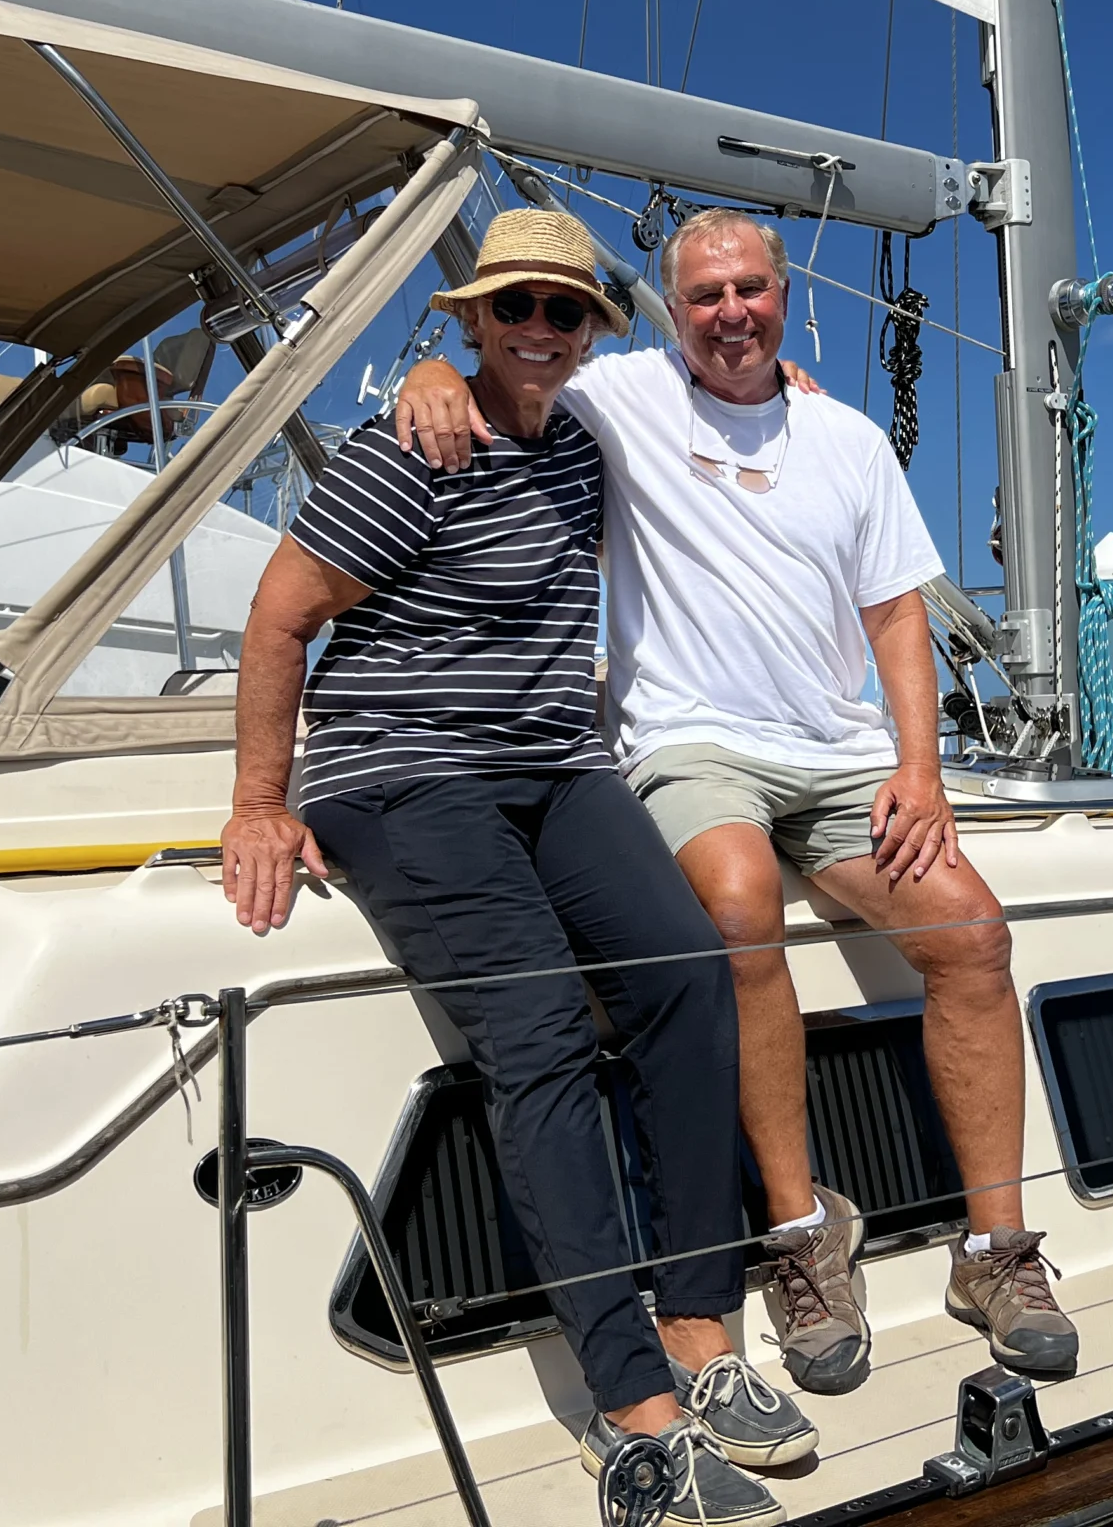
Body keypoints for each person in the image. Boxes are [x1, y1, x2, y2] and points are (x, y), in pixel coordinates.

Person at [395, 209, 1077, 1397]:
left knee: (971, 935)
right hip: (691, 741)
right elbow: (514, 362)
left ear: (782, 298)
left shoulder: (850, 439)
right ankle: (802, 1236)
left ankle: (994, 1252)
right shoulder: (623, 399)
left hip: (841, 756)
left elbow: (895, 618)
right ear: (672, 305)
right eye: (703, 294)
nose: (728, 313)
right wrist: (425, 371)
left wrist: (918, 769)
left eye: (749, 290)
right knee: (735, 900)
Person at [222, 208, 808, 1524]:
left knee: (683, 976)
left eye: (562, 311)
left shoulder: (588, 449)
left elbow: (716, 387)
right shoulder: (411, 446)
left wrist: (792, 387)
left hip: (555, 766)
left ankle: (703, 1327)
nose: (537, 330)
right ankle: (633, 1413)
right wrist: (260, 804)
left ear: (590, 330)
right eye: (513, 310)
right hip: (400, 773)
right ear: (474, 321)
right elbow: (280, 618)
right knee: (540, 1028)